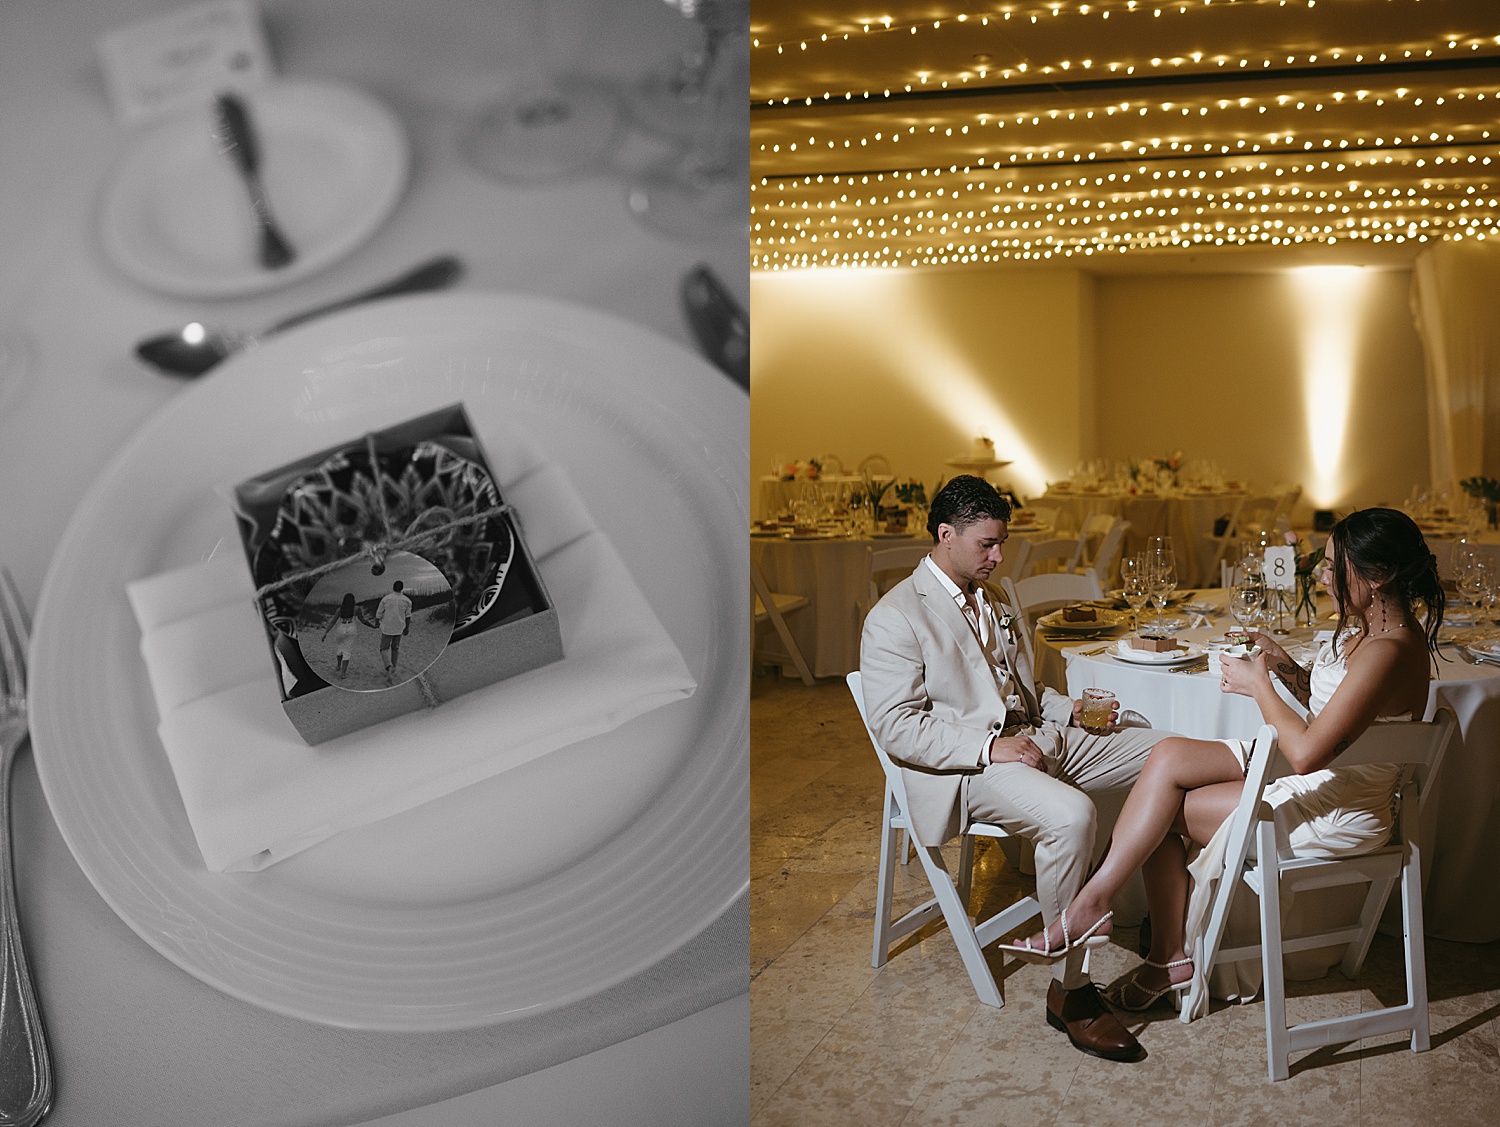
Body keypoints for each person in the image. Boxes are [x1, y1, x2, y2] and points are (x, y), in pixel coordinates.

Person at [1007, 507, 1442, 1019]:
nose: (1323, 577)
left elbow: (1304, 753)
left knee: (1160, 810)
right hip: (1321, 777)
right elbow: (1339, 713)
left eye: (1333, 567)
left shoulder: (1389, 650)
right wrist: (1282, 665)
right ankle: (1106, 911)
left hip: (1333, 804)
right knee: (1165, 756)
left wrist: (1258, 686)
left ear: (1379, 575)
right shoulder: (1372, 633)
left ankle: (1141, 939)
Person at [860, 475, 1171, 1062]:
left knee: (1167, 754)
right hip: (963, 766)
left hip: (1034, 739)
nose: (1000, 556)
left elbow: (1021, 695)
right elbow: (897, 727)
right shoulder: (894, 616)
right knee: (1072, 816)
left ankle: (1164, 924)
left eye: (1001, 542)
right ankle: (1073, 993)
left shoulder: (997, 597)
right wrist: (988, 748)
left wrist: (1068, 708)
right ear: (945, 535)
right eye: (987, 545)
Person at [375, 580, 413, 675]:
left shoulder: (386, 599)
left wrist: (377, 622)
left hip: (387, 627)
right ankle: (394, 668)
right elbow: (408, 616)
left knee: (383, 648)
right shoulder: (407, 600)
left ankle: (389, 666)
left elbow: (379, 612)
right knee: (395, 648)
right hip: (399, 627)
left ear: (393, 587)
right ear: (402, 588)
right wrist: (407, 627)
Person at [320, 592, 361, 678]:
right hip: (351, 630)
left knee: (340, 648)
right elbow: (363, 620)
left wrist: (325, 633)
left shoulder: (340, 609)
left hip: (340, 629)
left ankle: (338, 665)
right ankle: (343, 673)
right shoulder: (356, 609)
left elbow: (332, 622)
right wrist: (372, 626)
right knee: (347, 651)